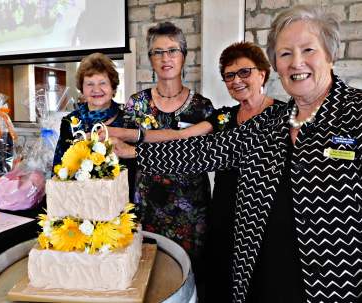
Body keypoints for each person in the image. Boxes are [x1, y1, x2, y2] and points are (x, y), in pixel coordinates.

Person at [112, 5, 362, 303]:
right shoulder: (273, 122)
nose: (297, 63)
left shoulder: (355, 112)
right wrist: (136, 152)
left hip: (331, 284)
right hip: (259, 276)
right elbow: (203, 151)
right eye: (285, 54)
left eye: (308, 50)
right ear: (276, 65)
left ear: (330, 55)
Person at [106, 21, 214, 290]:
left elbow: (199, 154)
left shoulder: (202, 106)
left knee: (189, 276)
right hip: (148, 206)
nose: (166, 58)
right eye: (158, 52)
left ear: (184, 56)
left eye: (172, 50)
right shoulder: (136, 103)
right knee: (149, 276)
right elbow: (123, 152)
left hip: (190, 210)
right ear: (150, 59)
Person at [204, 41, 284, 302]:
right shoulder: (224, 117)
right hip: (224, 211)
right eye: (229, 75)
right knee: (221, 279)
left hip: (263, 217)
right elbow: (183, 137)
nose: (236, 80)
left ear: (262, 73)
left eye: (244, 72)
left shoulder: (283, 116)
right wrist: (129, 139)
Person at [52, 52, 135, 200]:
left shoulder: (129, 119)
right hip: (79, 203)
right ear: (82, 90)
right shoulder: (70, 122)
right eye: (89, 84)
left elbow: (138, 164)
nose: (96, 90)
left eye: (103, 83)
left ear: (113, 88)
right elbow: (59, 167)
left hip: (120, 202)